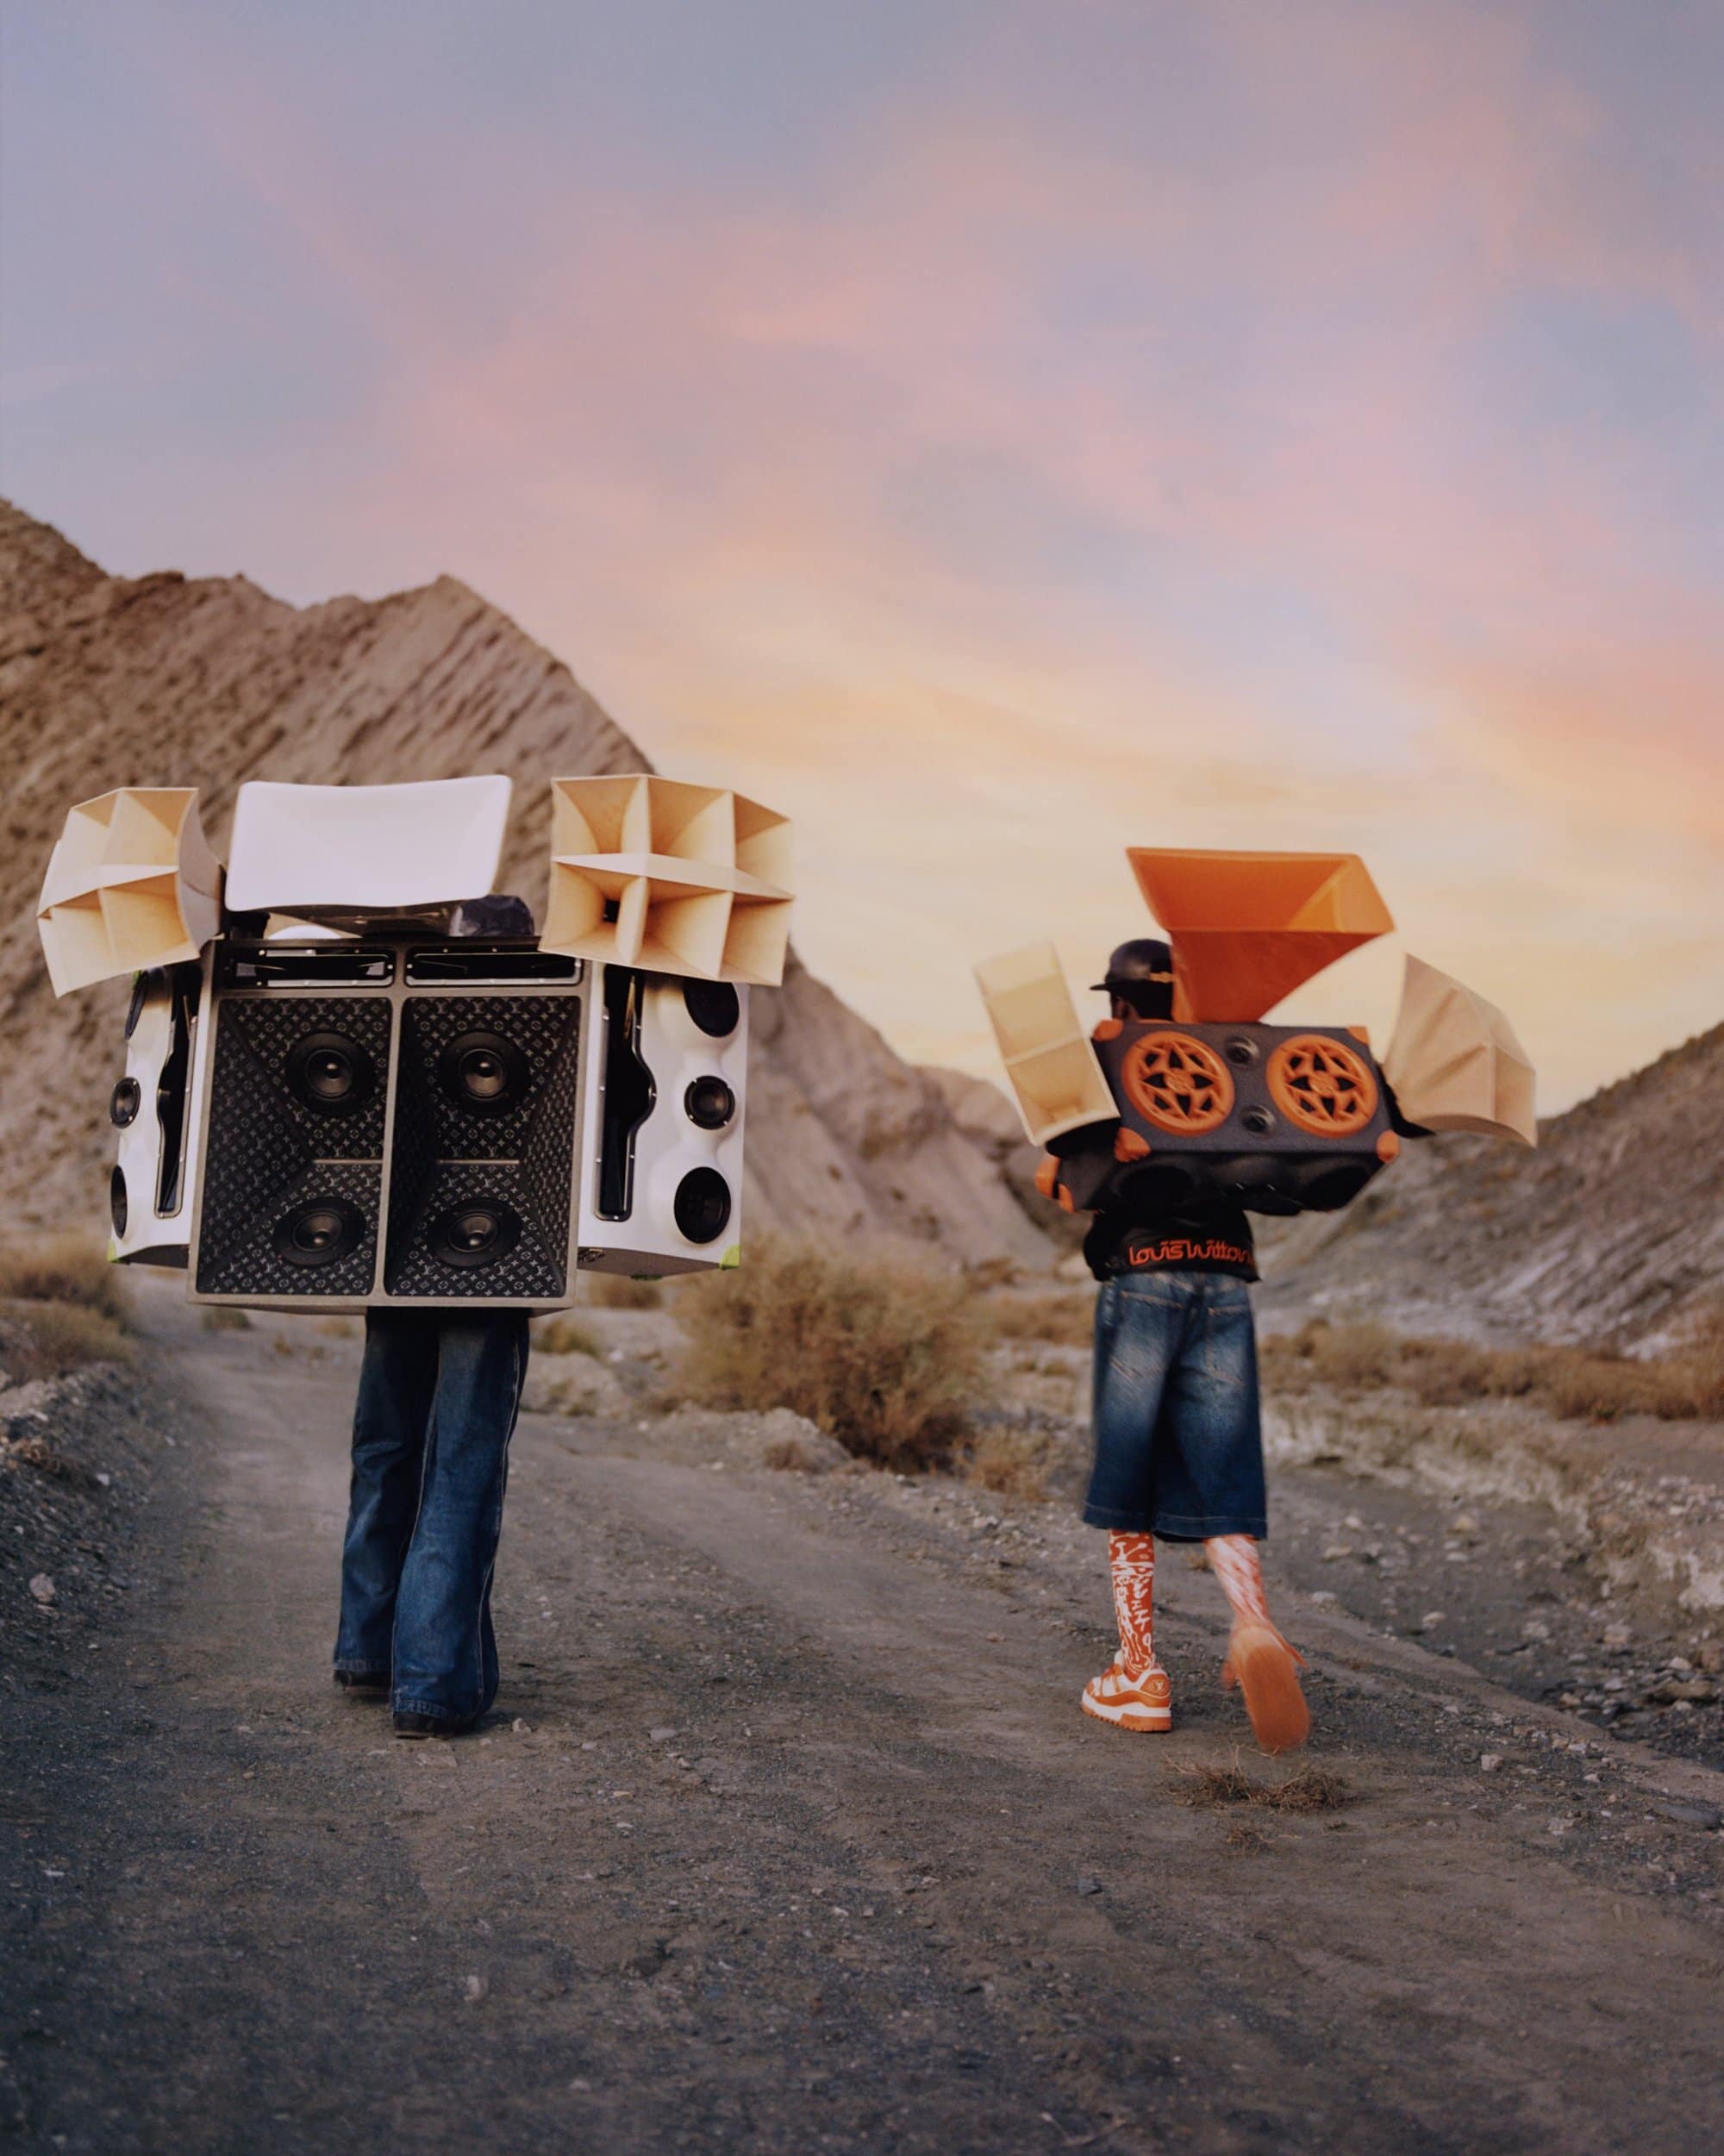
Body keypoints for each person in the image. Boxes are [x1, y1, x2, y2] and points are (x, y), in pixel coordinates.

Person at [1041, 938, 1309, 1754]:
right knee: (1222, 1463)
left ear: (1120, 1000)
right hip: (1227, 1279)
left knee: (1131, 1473)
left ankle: (1139, 1673)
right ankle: (1254, 1625)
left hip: (1144, 1277)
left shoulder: (1112, 1062)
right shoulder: (1227, 1062)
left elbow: (1064, 1189)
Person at [331, 895, 534, 1740]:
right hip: (497, 1258)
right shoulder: (547, 1019)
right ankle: (432, 1684)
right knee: (459, 1465)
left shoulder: (394, 1011)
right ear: (524, 949)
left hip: (394, 1250)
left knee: (385, 1448)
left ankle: (366, 1651)